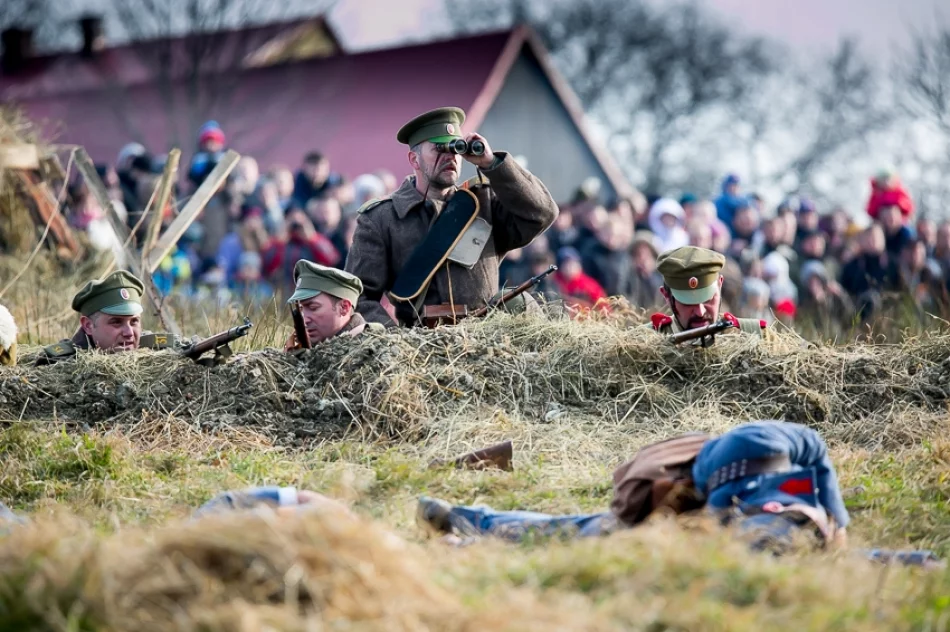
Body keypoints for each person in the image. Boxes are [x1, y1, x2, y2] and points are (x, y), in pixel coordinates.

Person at [416, 421, 941, 567]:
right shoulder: (668, 486)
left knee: (590, 533)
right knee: (597, 535)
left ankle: (474, 522)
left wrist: (838, 521)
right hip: (738, 504)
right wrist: (840, 522)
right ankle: (474, 523)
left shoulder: (749, 450)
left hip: (751, 507)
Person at [345, 107, 558, 327]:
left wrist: (492, 164)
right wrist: (396, 343)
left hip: (485, 344)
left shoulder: (483, 205)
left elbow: (542, 213)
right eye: (439, 149)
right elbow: (357, 297)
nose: (451, 156)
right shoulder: (382, 219)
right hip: (418, 349)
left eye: (456, 148)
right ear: (414, 159)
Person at [35, 271, 178, 365]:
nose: (129, 333)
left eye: (134, 321)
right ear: (88, 326)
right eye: (116, 322)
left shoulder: (154, 348)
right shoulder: (60, 362)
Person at [648, 246, 767, 338]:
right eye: (688, 302)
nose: (700, 312)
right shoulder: (644, 344)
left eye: (707, 299)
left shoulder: (754, 335)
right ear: (667, 296)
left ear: (720, 285)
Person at [284, 260, 383, 352]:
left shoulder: (371, 347)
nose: (304, 320)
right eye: (300, 309)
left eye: (313, 308)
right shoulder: (298, 346)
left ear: (344, 307)